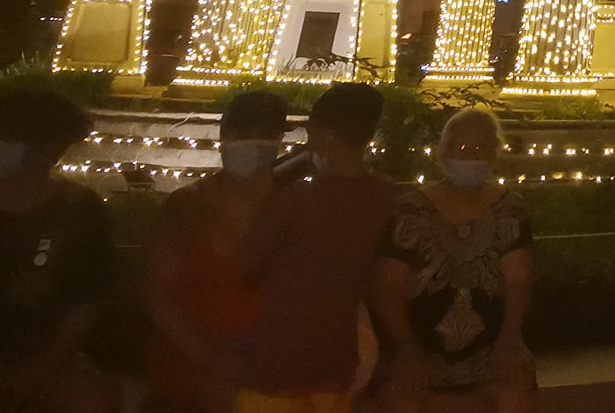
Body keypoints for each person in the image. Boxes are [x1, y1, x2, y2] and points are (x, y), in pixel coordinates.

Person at [235, 81, 398, 412]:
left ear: (325, 137)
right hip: (337, 361)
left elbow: (245, 266)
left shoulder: (296, 201)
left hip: (276, 362)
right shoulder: (386, 196)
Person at [370, 109, 534, 412]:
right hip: (416, 349)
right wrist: (406, 348)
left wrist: (510, 340)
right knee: (400, 398)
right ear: (440, 153)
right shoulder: (411, 210)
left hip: (489, 353)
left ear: (495, 154)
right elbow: (387, 287)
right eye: (459, 148)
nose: (469, 157)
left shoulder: (510, 210)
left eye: (480, 149)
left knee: (515, 394)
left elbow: (518, 279)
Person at [147, 88, 290, 411]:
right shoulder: (188, 206)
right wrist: (213, 359)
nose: (255, 143)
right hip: (194, 369)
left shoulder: (296, 207)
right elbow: (159, 296)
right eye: (244, 133)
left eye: (266, 134)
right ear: (225, 135)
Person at [0, 87, 117, 413]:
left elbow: (83, 308)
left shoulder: (79, 212)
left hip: (44, 354)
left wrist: (38, 373)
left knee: (90, 399)